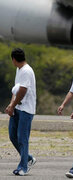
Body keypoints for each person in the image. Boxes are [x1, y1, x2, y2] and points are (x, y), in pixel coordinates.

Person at [5, 48, 36, 176]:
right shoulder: (19, 69)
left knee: (22, 138)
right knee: (13, 135)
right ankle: (28, 158)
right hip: (18, 108)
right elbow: (16, 89)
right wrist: (12, 105)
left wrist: (13, 105)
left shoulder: (27, 71)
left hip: (26, 110)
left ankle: (23, 167)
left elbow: (23, 91)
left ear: (13, 59)